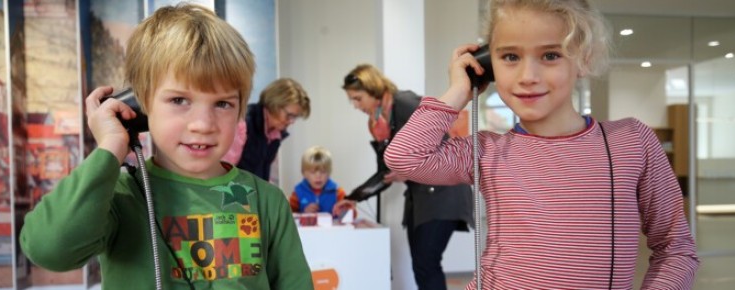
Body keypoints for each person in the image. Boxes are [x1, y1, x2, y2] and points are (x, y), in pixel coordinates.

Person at [384, 0, 700, 289]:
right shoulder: (487, 150)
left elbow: (676, 248)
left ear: (584, 59)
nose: (528, 76)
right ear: (487, 65)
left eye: (550, 55)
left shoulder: (630, 142)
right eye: (510, 57)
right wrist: (458, 91)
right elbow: (405, 157)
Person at [19, 4, 313, 289]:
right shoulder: (121, 197)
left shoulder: (267, 201)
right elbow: (49, 249)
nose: (203, 123)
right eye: (179, 100)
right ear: (141, 105)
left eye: (222, 103)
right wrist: (111, 146)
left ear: (239, 111)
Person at [342, 64, 474, 290]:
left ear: (372, 88)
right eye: (352, 100)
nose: (355, 105)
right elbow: (385, 172)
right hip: (421, 199)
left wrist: (407, 169)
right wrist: (353, 198)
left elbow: (441, 144)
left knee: (426, 264)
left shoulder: (404, 103)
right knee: (422, 266)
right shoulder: (379, 122)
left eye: (357, 98)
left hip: (443, 194)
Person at [222, 78, 310, 181]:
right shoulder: (243, 124)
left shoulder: (276, 135)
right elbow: (223, 172)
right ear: (275, 104)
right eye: (289, 115)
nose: (292, 122)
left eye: (295, 117)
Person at [289, 146, 355, 218]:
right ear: (304, 173)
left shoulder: (338, 192)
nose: (318, 176)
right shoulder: (298, 192)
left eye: (323, 172)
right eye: (313, 172)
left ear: (329, 172)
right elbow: (288, 217)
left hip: (332, 229)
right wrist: (304, 213)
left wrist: (344, 210)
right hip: (307, 229)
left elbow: (351, 217)